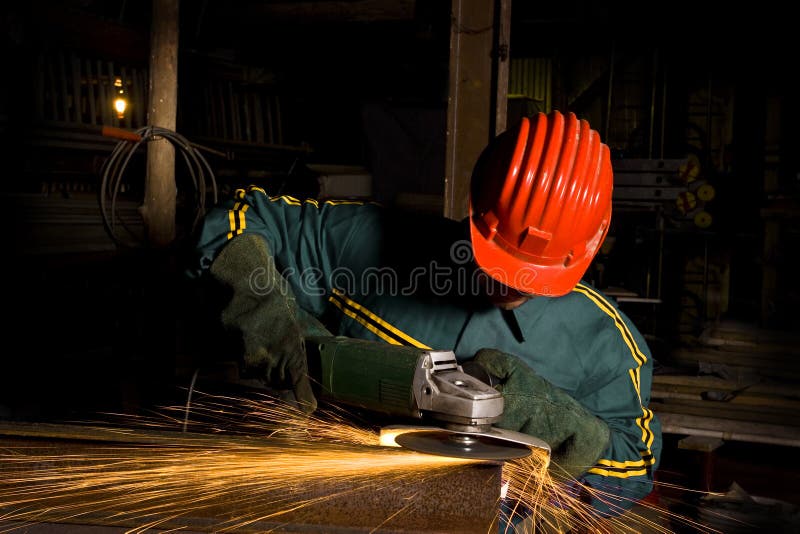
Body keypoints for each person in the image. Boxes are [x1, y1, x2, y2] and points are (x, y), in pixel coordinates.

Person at [191, 110, 662, 519]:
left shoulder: (608, 344)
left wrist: (567, 426)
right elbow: (240, 216)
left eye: (531, 276)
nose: (508, 284)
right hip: (326, 498)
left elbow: (636, 470)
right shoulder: (372, 245)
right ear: (477, 205)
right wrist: (271, 324)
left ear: (586, 250)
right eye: (497, 259)